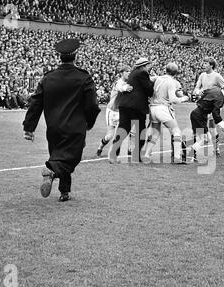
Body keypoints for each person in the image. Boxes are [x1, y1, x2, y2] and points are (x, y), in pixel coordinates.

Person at [23, 38, 100, 202]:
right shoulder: (83, 78)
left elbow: (35, 102)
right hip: (75, 126)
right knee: (71, 158)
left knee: (59, 155)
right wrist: (89, 122)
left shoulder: (48, 78)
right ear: (76, 56)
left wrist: (29, 127)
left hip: (53, 127)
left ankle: (64, 192)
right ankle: (51, 171)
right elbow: (92, 105)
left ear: (60, 57)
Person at [109, 57, 154, 163]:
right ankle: (136, 156)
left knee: (123, 130)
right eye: (148, 66)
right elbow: (149, 91)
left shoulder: (133, 73)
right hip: (137, 107)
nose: (149, 68)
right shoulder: (143, 73)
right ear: (144, 66)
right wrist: (152, 82)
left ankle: (113, 156)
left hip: (125, 105)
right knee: (141, 132)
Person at [142, 62, 189, 164]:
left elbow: (151, 79)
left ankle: (146, 154)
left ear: (165, 70)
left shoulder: (158, 78)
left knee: (155, 134)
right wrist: (184, 99)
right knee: (176, 132)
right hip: (163, 108)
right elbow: (173, 99)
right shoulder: (171, 82)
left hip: (153, 108)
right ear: (176, 73)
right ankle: (177, 157)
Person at [189, 85, 224, 159]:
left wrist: (199, 99)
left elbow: (202, 92)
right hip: (200, 116)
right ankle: (188, 153)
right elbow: (215, 114)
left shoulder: (215, 90)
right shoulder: (220, 98)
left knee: (204, 138)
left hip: (197, 114)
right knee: (205, 138)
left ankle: (189, 153)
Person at [96, 65, 133, 157]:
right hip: (112, 111)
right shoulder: (118, 82)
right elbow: (121, 88)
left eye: (130, 71)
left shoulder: (130, 82)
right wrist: (126, 88)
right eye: (127, 71)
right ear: (122, 73)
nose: (129, 73)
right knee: (109, 136)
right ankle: (100, 147)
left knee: (128, 131)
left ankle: (129, 150)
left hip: (121, 111)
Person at [193, 57, 224, 157]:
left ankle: (216, 149)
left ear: (211, 65)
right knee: (201, 129)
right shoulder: (202, 75)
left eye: (206, 63)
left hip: (212, 105)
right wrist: (198, 92)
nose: (203, 65)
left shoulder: (217, 76)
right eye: (203, 63)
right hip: (204, 103)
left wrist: (219, 102)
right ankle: (194, 151)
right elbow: (196, 88)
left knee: (212, 127)